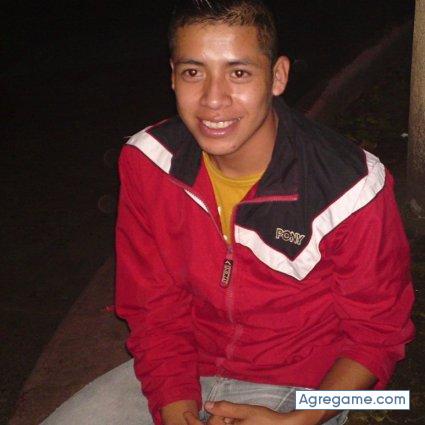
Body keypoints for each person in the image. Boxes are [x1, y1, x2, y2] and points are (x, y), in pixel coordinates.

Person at [115, 0, 415, 424]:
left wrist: (300, 419)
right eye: (193, 72)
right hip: (182, 372)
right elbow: (154, 308)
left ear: (277, 77)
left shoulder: (351, 186)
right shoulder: (149, 162)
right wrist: (177, 408)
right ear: (173, 76)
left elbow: (377, 335)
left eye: (238, 73)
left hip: (305, 390)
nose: (213, 99)